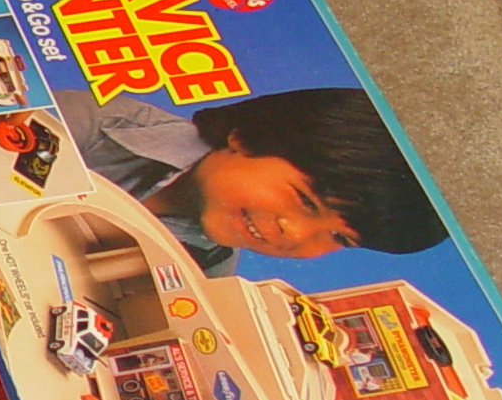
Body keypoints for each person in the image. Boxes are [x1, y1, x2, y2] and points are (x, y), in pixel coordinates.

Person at [55, 86, 445, 277]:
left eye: (340, 239)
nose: (293, 234)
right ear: (247, 137)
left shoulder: (204, 274)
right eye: (307, 202)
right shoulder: (98, 123)